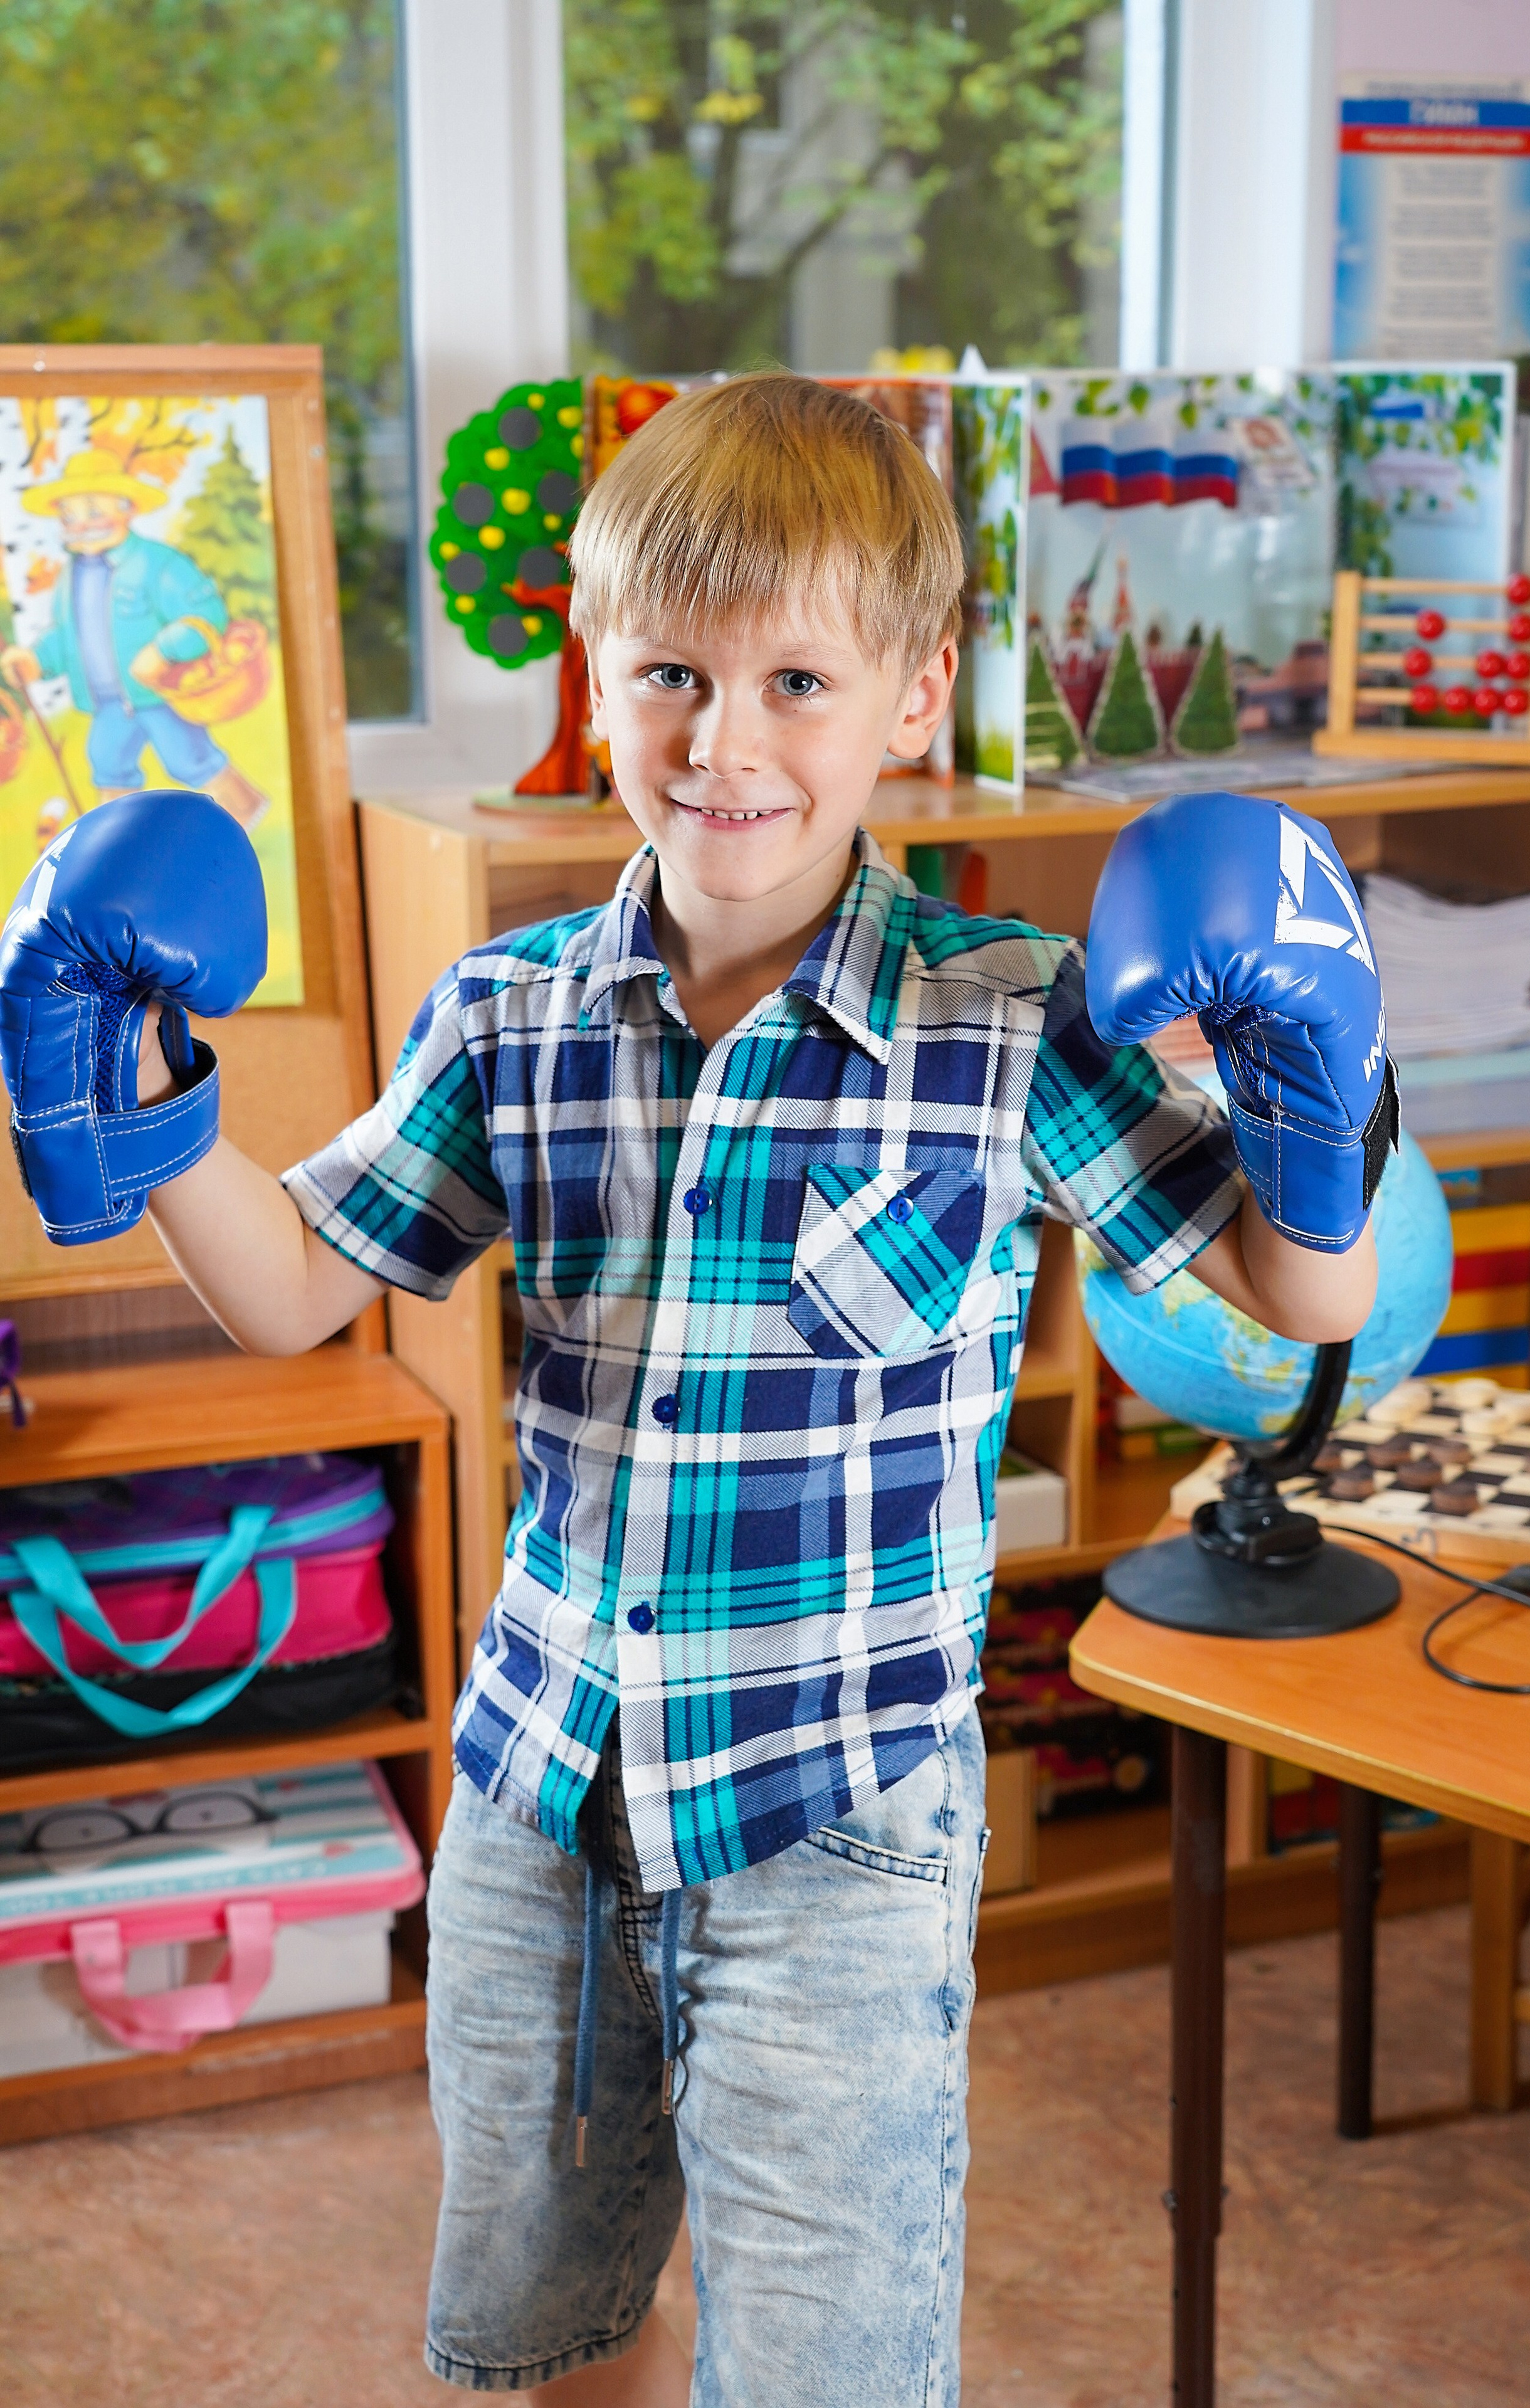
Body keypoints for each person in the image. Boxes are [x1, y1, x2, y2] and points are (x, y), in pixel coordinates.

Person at [0, 374, 1390, 2405]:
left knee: (822, 2369)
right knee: (546, 2335)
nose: (724, 744)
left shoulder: (1008, 1028)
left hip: (834, 1825)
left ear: (912, 699)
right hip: (538, 1801)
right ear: (595, 665)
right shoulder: (515, 1011)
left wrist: (1320, 1065)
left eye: (798, 680)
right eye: (671, 674)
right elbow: (301, 1292)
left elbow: (1289, 1286)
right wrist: (119, 1090)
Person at [0, 445, 268, 827]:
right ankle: (116, 840)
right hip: (108, 703)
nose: (82, 523)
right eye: (69, 514)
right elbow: (65, 637)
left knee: (188, 758)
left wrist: (165, 648)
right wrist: (36, 662)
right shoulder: (71, 576)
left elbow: (208, 616)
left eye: (94, 511)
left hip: (158, 695)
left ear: (127, 508)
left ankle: (247, 814)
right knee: (107, 764)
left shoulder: (158, 564)